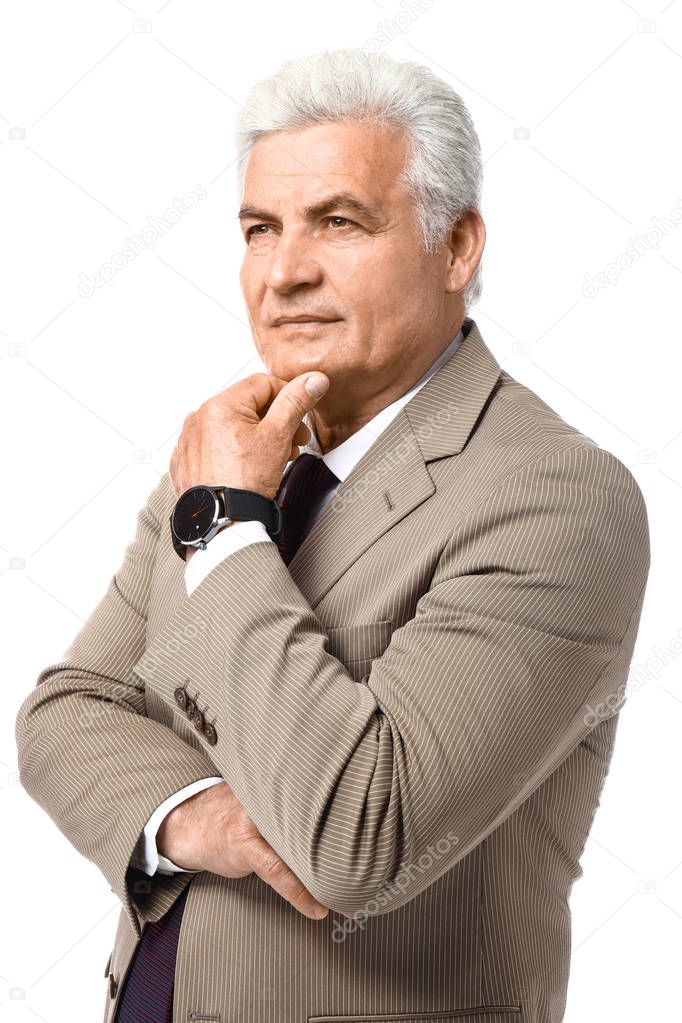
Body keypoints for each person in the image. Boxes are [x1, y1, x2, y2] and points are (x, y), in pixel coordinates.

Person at [15, 47, 650, 1023]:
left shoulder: (559, 498)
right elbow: (64, 714)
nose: (283, 273)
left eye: (338, 223)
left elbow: (361, 838)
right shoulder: (231, 452)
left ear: (458, 246)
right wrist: (197, 817)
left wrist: (224, 526)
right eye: (258, 229)